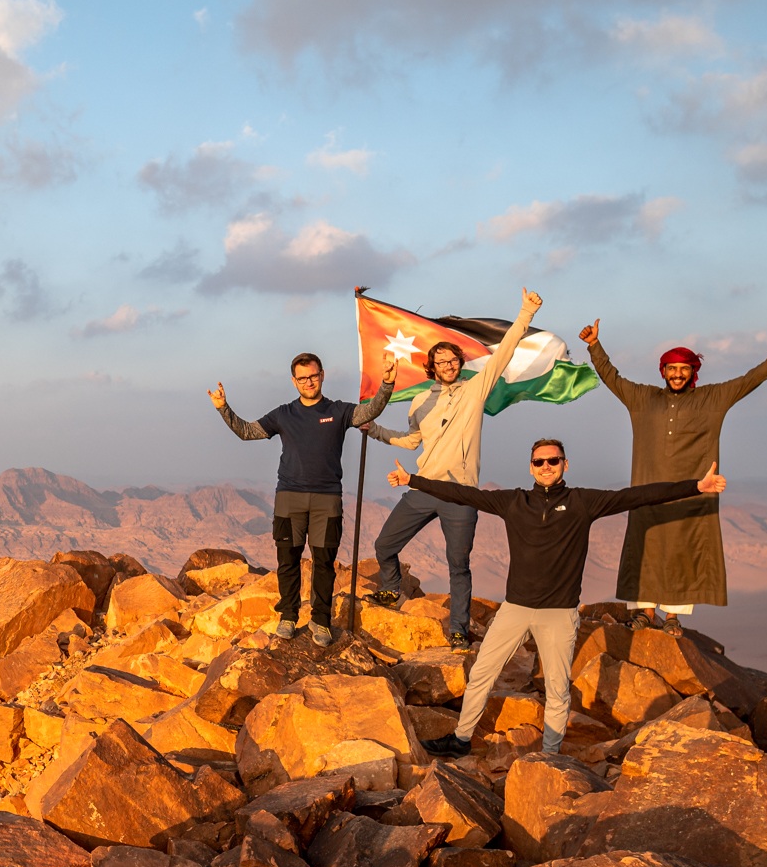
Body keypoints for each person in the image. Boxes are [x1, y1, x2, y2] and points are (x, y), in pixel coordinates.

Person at [387, 439, 726, 756]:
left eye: (553, 460)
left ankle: (549, 755)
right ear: (531, 467)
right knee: (482, 674)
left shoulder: (583, 502)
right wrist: (412, 480)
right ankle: (461, 739)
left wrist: (696, 486)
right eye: (539, 461)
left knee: (557, 688)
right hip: (516, 608)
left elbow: (637, 496)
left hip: (559, 614)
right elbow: (461, 494)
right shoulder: (514, 501)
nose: (546, 466)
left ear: (565, 464)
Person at [580, 320, 767, 635]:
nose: (677, 374)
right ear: (662, 372)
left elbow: (751, 379)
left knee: (682, 548)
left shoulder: (712, 400)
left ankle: (672, 616)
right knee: (644, 544)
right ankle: (645, 612)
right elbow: (612, 377)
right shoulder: (643, 399)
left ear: (693, 372)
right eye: (671, 368)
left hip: (692, 492)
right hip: (646, 490)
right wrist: (594, 345)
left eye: (684, 369)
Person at [362, 287, 543, 647]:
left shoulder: (474, 391)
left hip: (460, 493)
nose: (447, 366)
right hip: (423, 487)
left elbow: (502, 355)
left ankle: (459, 628)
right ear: (432, 367)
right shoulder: (419, 400)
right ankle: (391, 588)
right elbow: (413, 439)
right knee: (384, 545)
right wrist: (375, 430)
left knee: (457, 565)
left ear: (460, 364)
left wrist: (525, 314)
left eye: (452, 361)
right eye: (441, 362)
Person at [212, 353, 396, 645]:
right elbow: (247, 432)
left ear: (322, 375)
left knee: (324, 562)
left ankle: (321, 621)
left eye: (313, 376)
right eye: (302, 378)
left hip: (327, 499)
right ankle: (288, 616)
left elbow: (370, 412)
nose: (308, 382)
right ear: (293, 381)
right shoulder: (283, 414)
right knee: (288, 561)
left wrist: (387, 383)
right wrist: (224, 408)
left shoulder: (339, 410)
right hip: (289, 497)